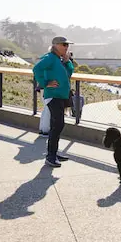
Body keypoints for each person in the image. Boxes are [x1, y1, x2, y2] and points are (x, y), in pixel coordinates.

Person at [32, 36, 74, 167]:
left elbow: (68, 74)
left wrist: (67, 62)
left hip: (60, 96)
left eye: (67, 45)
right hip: (53, 96)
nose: (66, 47)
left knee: (56, 124)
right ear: (55, 45)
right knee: (58, 124)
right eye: (64, 45)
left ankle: (53, 153)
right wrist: (45, 83)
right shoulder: (50, 57)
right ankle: (51, 156)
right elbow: (36, 69)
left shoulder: (59, 59)